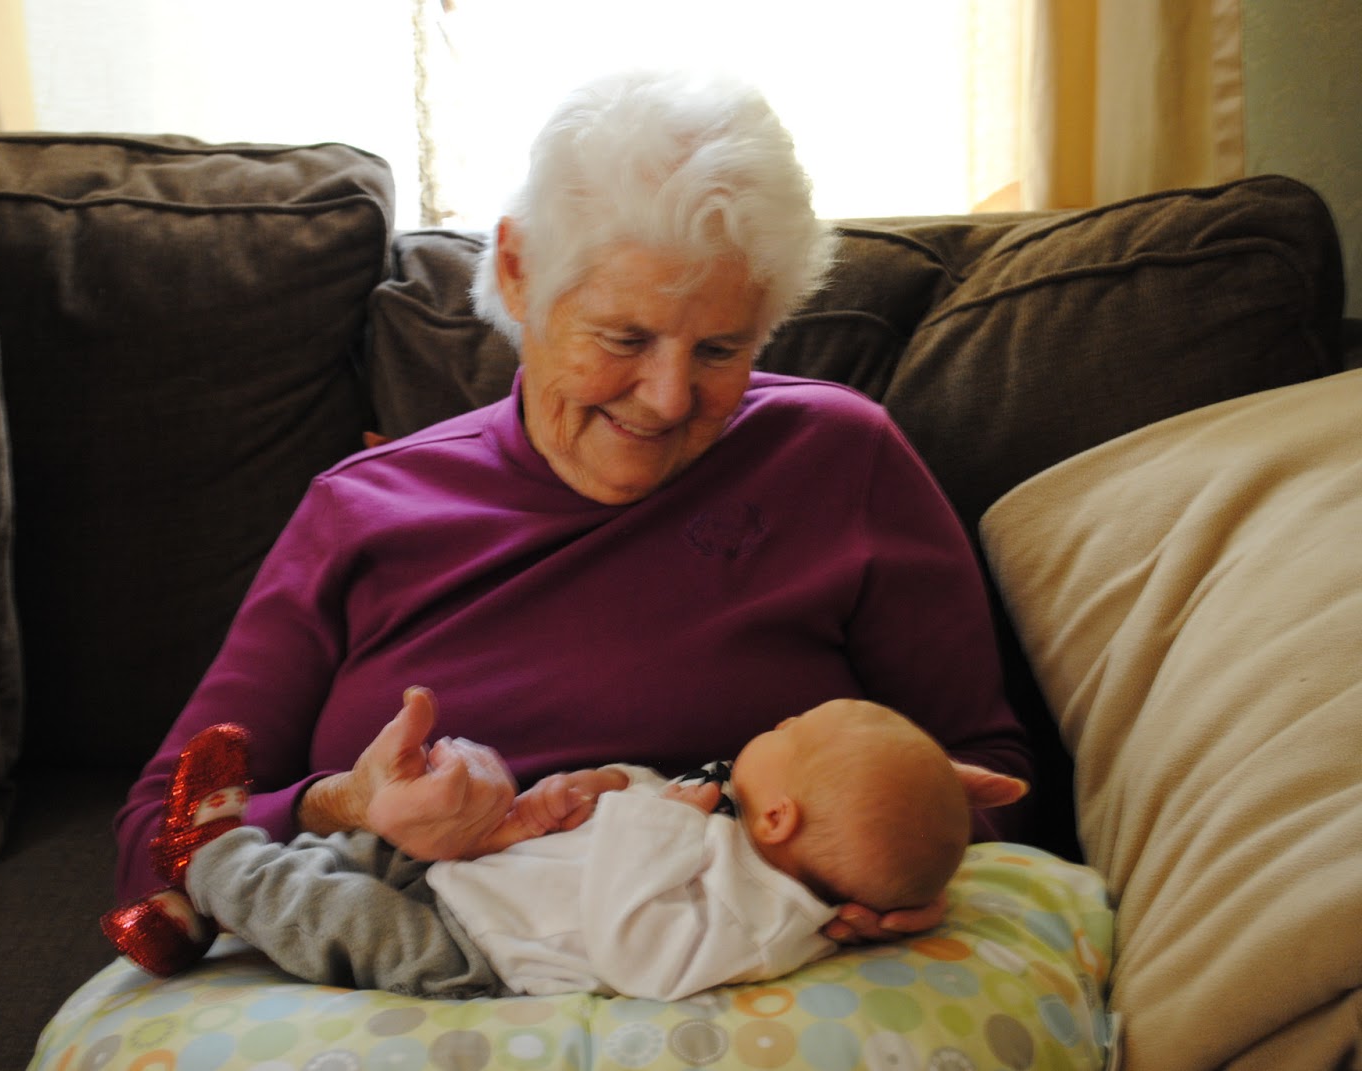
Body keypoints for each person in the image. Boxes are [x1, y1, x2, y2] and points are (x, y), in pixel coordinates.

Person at [112, 68, 1032, 955]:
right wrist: (346, 804)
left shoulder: (841, 459)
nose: (669, 397)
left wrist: (902, 863)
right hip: (417, 961)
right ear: (517, 273)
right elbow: (160, 828)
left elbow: (987, 769)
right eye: (623, 337)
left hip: (742, 967)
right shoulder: (362, 509)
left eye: (721, 348)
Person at [105, 695, 973, 1000]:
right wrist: (599, 789)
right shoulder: (754, 832)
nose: (776, 722)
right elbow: (642, 814)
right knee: (355, 863)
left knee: (335, 913)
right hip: (486, 863)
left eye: (789, 728)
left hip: (476, 949)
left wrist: (656, 817)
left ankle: (212, 854)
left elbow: (640, 950)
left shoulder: (761, 921)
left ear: (781, 819)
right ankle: (190, 919)